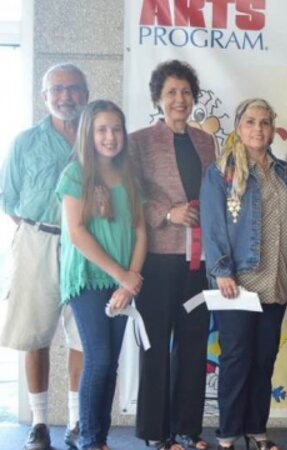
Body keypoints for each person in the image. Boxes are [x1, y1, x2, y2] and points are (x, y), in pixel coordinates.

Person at [201, 98, 287, 450]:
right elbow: (213, 225)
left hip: (276, 280)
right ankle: (228, 435)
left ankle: (257, 431)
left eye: (265, 122)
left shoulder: (283, 173)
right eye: (250, 122)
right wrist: (221, 271)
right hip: (239, 282)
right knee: (235, 359)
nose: (258, 129)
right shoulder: (221, 171)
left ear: (273, 126)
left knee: (264, 359)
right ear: (238, 126)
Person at [129, 60, 217, 450]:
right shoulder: (138, 141)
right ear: (157, 99)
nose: (179, 99)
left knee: (194, 342)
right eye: (171, 93)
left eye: (185, 92)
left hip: (197, 263)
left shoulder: (205, 142)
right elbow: (132, 200)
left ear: (193, 97)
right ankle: (155, 432)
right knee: (156, 346)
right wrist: (167, 214)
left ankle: (188, 430)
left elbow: (213, 197)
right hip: (158, 258)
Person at [0, 63, 87, 450]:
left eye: (73, 88)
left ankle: (76, 422)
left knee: (83, 336)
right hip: (38, 241)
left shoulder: (97, 136)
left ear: (85, 93)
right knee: (36, 334)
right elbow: (8, 197)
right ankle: (38, 424)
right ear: (44, 96)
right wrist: (39, 231)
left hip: (85, 246)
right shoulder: (25, 141)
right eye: (57, 89)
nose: (65, 96)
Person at [56, 99, 146, 450]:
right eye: (102, 130)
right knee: (99, 357)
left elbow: (140, 231)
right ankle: (90, 439)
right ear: (88, 134)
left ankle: (100, 437)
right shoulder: (75, 174)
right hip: (88, 280)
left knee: (112, 364)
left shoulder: (130, 174)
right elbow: (77, 233)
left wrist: (132, 278)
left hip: (123, 282)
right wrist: (122, 275)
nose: (110, 137)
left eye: (116, 129)